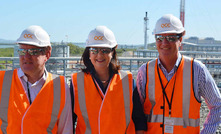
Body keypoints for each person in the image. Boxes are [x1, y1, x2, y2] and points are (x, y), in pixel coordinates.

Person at [136, 14, 221, 134]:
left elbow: (217, 105)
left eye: (171, 37)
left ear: (180, 40)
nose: (164, 42)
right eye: (159, 37)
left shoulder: (197, 70)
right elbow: (136, 112)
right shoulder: (144, 72)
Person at [70, 26, 147, 133]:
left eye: (105, 50)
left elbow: (139, 121)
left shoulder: (127, 81)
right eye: (94, 50)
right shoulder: (76, 82)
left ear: (113, 51)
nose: (99, 55)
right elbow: (69, 122)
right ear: (88, 52)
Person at [0, 25, 73, 133]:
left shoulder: (60, 86)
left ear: (47, 54)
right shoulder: (2, 80)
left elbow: (65, 130)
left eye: (33, 52)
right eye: (22, 51)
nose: (26, 56)